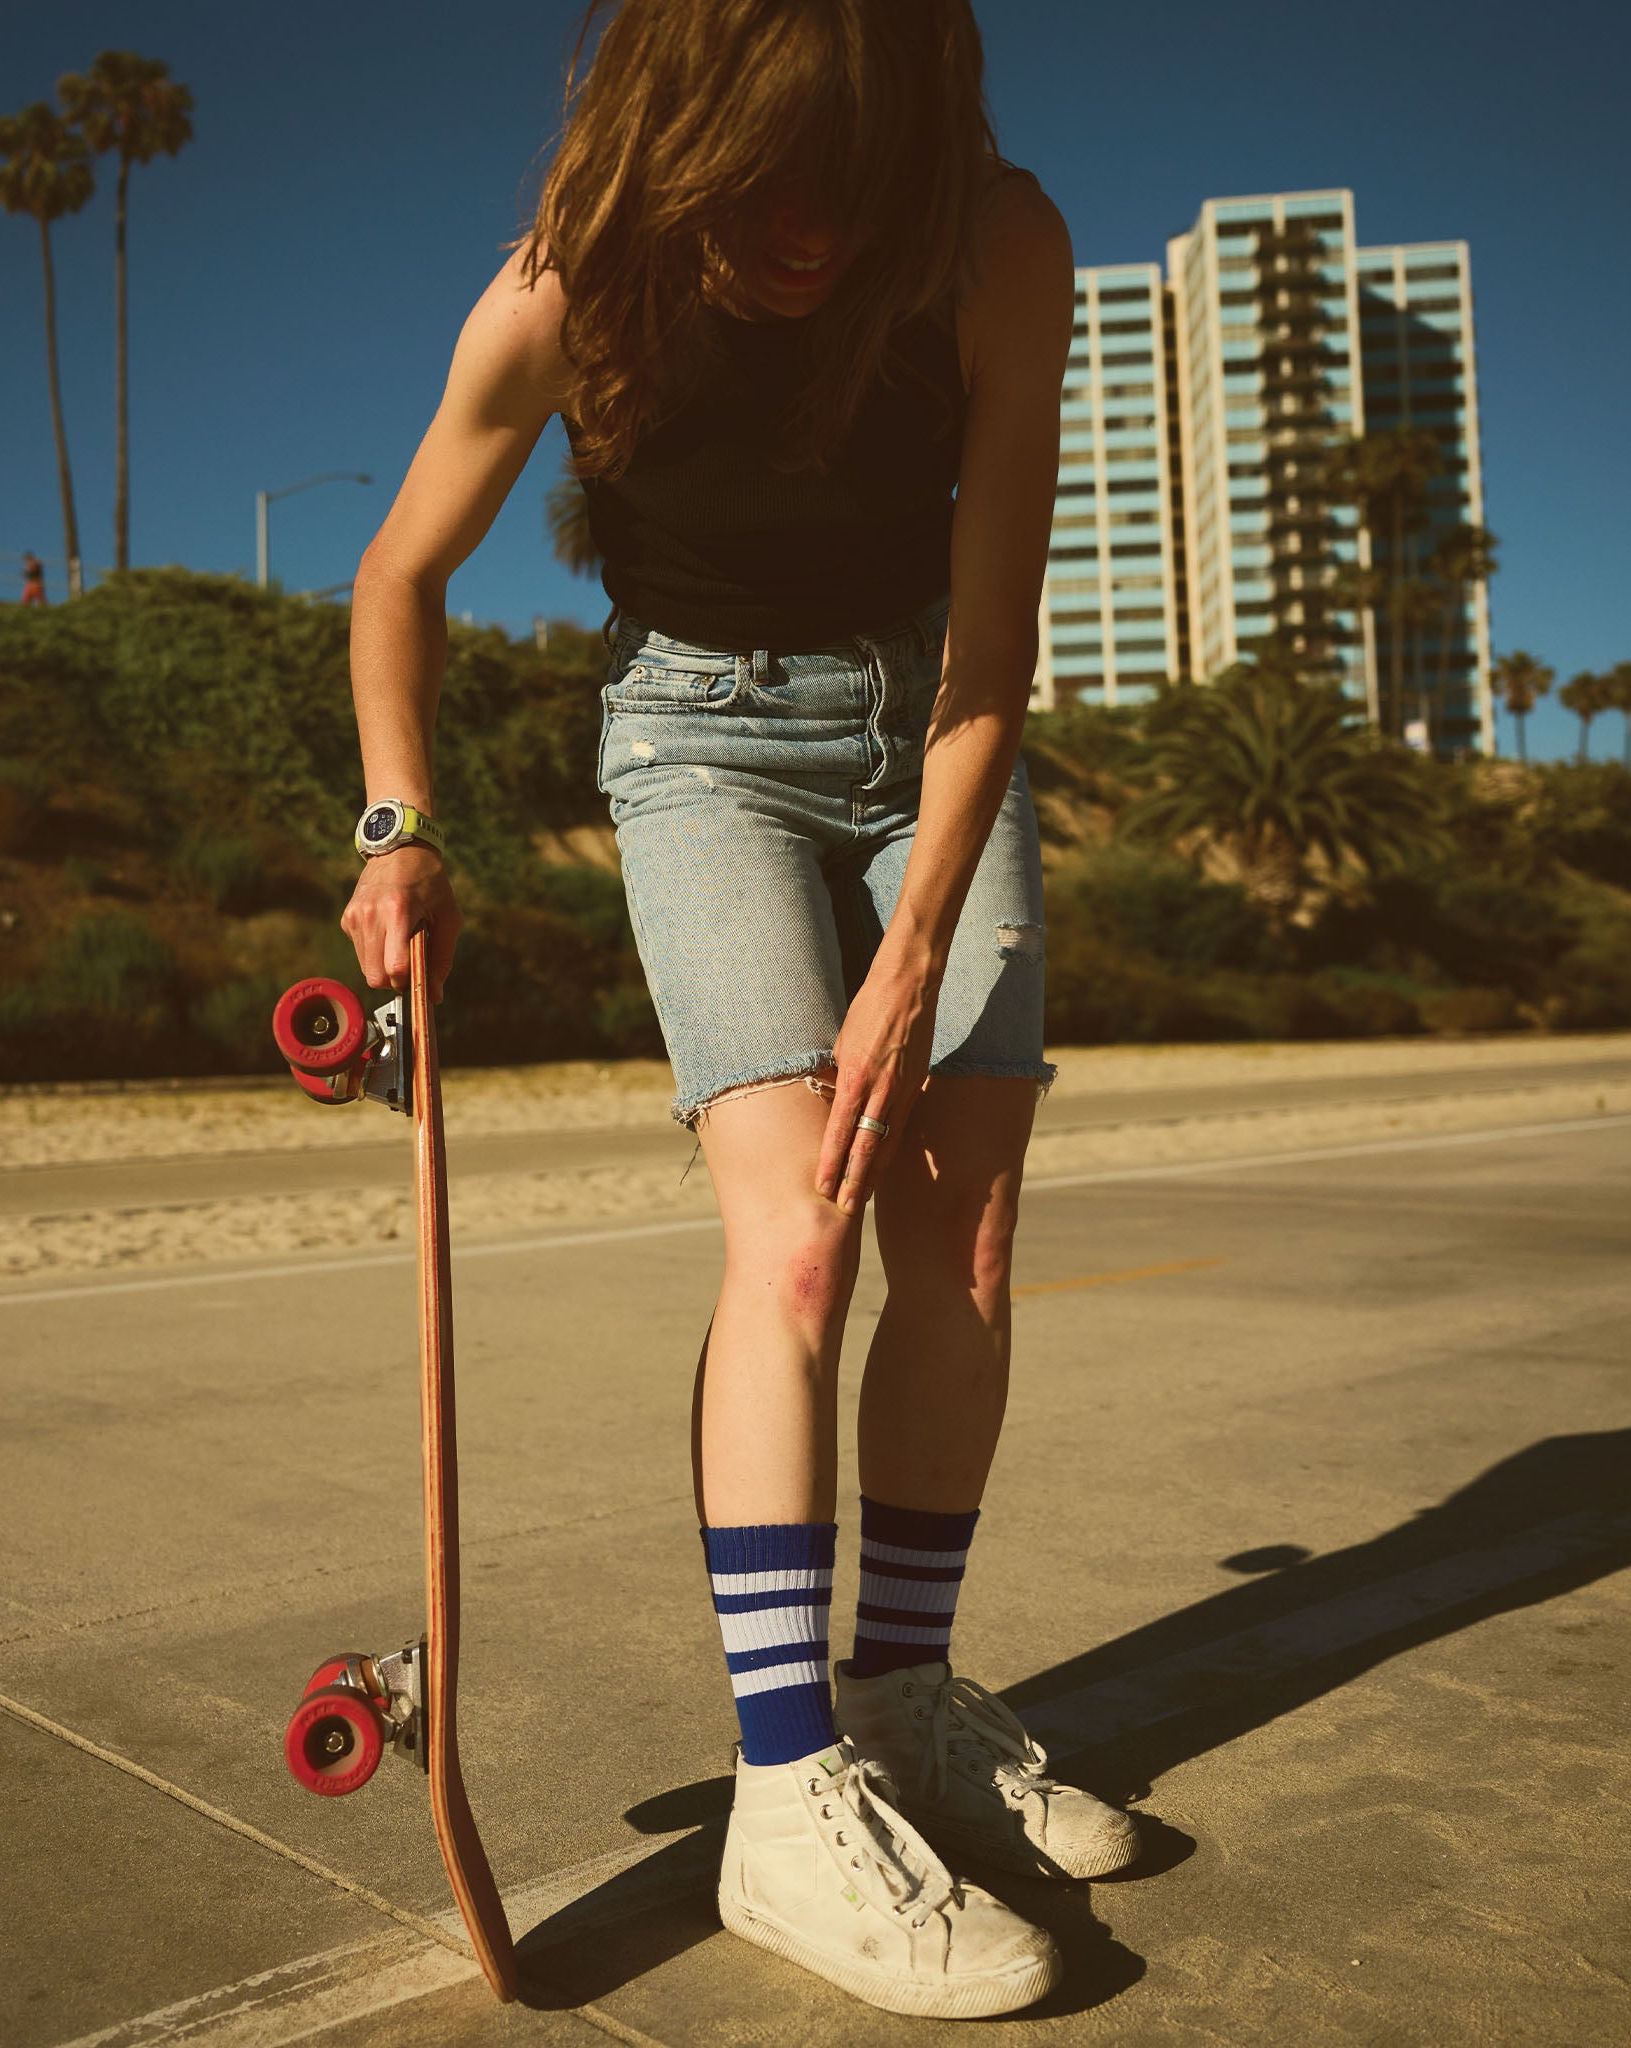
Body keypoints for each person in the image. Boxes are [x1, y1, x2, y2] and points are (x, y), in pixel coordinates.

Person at [340, 0, 1136, 2018]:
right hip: (695, 739)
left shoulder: (990, 239)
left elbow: (992, 635)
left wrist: (915, 938)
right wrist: (396, 821)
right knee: (791, 1240)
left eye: (856, 169)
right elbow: (397, 576)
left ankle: (903, 1691)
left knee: (952, 1236)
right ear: (684, 123)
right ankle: (786, 1796)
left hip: (934, 737)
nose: (813, 218)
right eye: (775, 164)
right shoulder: (557, 294)